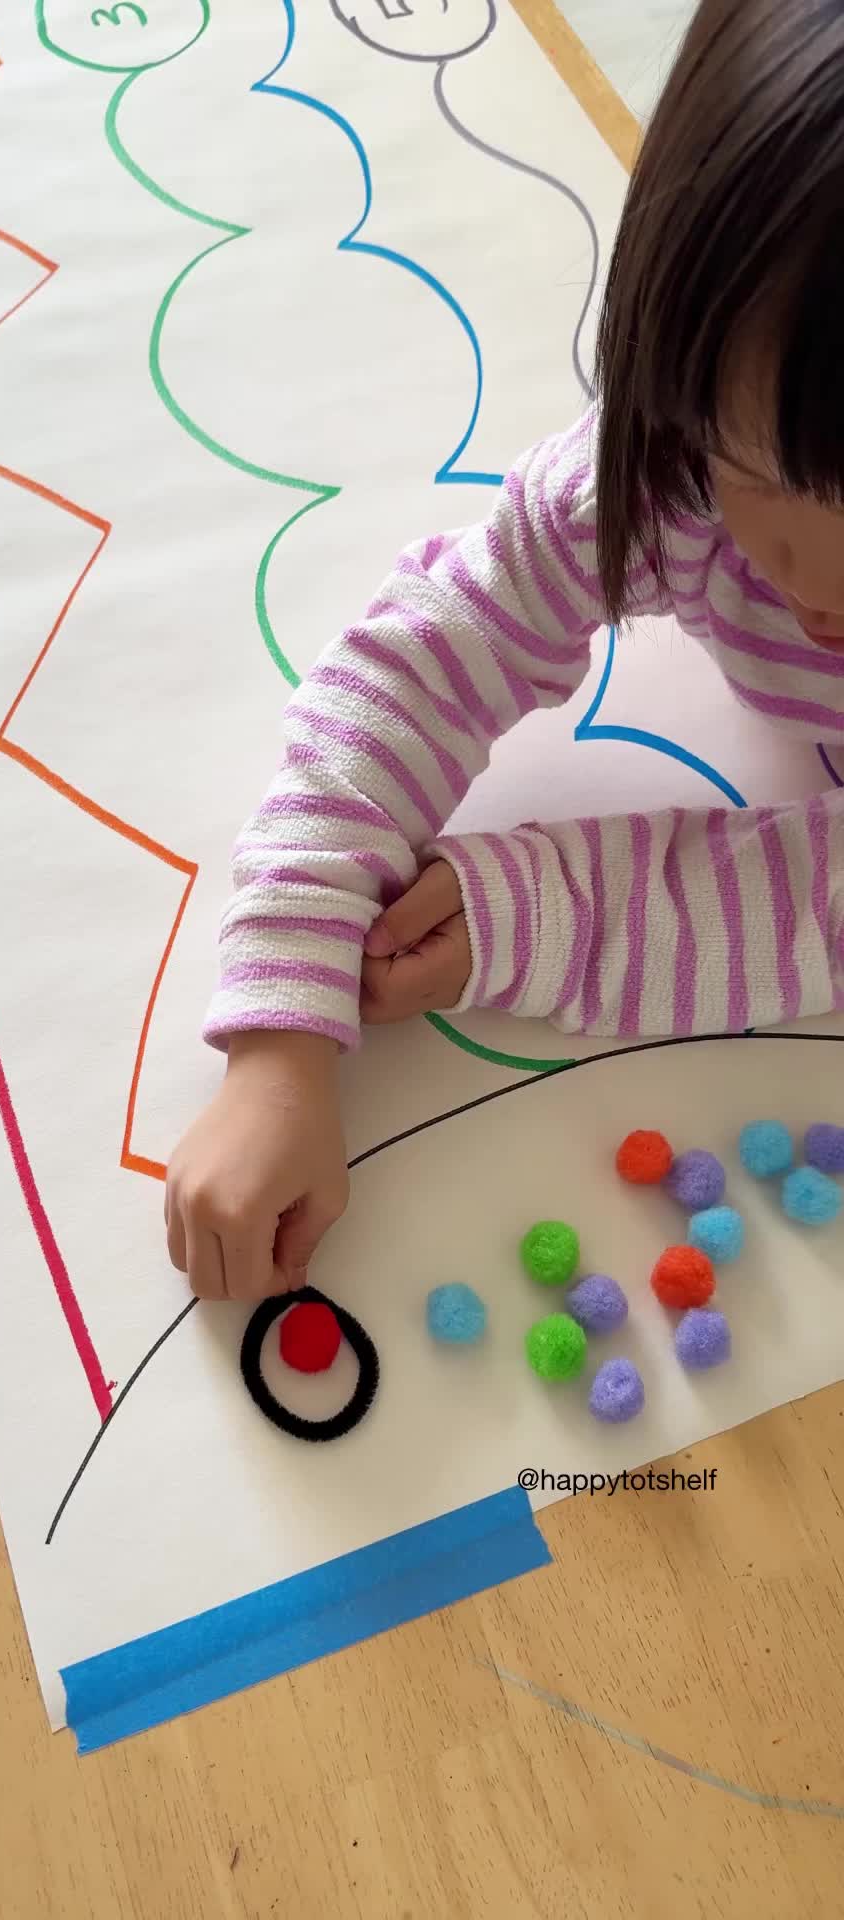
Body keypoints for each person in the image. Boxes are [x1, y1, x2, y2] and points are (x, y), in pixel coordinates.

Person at [166, 0, 844, 1302]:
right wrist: (280, 1031)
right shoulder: (666, 477)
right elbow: (420, 661)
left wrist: (544, 915)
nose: (814, 580)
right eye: (765, 473)